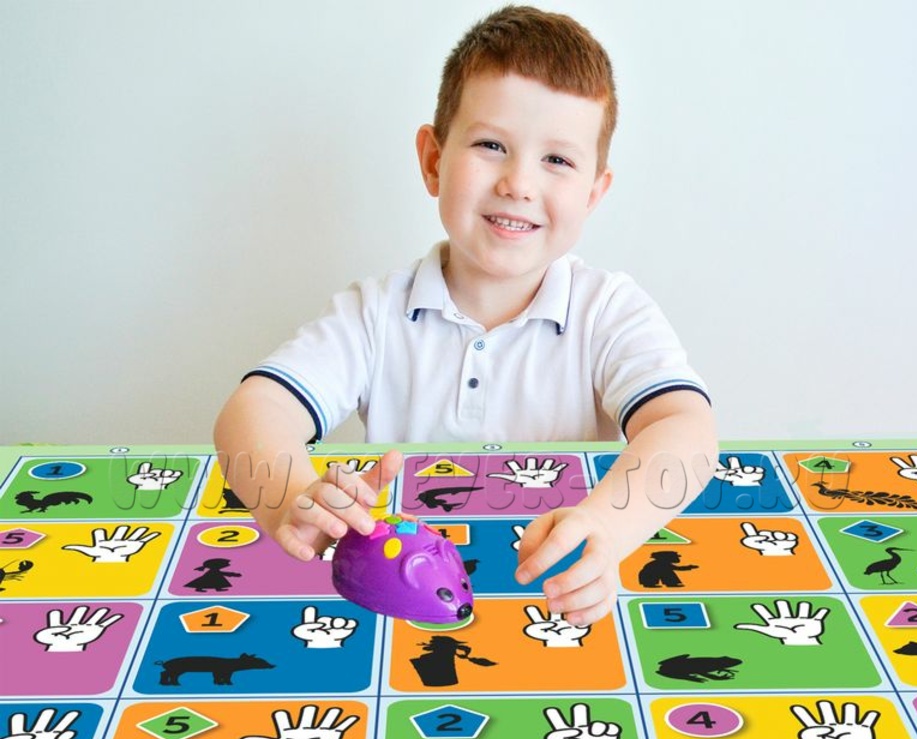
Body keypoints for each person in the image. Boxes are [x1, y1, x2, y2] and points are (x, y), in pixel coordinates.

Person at [214, 4, 718, 625]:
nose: (518, 183)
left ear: (592, 193)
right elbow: (255, 409)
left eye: (557, 160)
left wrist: (609, 528)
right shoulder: (373, 314)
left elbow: (687, 429)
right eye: (491, 145)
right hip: (399, 608)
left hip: (558, 601)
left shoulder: (609, 311)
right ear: (433, 160)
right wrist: (291, 498)